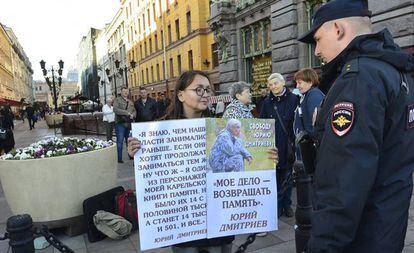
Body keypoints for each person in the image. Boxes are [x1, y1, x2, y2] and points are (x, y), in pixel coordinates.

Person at [297, 0, 414, 252]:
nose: (317, 49)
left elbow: (343, 182)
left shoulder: (358, 79)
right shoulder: (394, 70)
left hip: (360, 236)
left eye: (318, 38)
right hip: (386, 227)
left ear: (338, 29)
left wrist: (322, 246)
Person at [260, 73, 297, 218]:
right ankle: (276, 205)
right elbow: (262, 123)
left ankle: (287, 205)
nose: (273, 87)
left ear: (283, 83)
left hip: (288, 144)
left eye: (275, 83)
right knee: (274, 177)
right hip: (273, 145)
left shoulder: (294, 99)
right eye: (270, 85)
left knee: (287, 176)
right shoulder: (267, 102)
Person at [293, 68, 324, 140]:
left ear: (310, 82)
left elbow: (317, 121)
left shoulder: (314, 95)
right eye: (296, 83)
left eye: (299, 83)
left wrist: (311, 136)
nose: (297, 86)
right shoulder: (308, 95)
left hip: (311, 143)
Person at [113, 87, 136, 163]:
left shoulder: (130, 102)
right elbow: (115, 110)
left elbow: (134, 111)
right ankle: (119, 158)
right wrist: (126, 113)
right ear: (121, 92)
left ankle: (130, 155)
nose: (126, 93)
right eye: (124, 91)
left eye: (127, 91)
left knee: (129, 141)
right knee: (120, 141)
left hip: (128, 123)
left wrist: (133, 115)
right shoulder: (117, 100)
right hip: (120, 124)